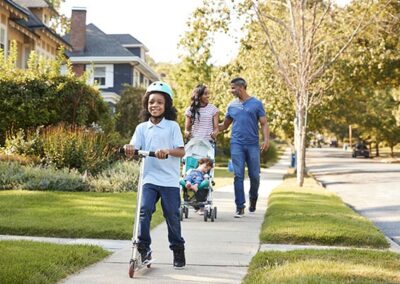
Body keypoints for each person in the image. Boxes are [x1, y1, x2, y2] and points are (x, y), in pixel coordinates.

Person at [124, 81, 186, 269]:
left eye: (159, 102)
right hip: (149, 178)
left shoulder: (172, 126)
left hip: (169, 180)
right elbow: (134, 147)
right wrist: (129, 148)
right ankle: (144, 249)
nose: (155, 106)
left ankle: (178, 249)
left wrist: (167, 150)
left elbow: (181, 151)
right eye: (151, 102)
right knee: (144, 211)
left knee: (172, 215)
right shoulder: (142, 128)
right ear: (146, 104)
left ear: (166, 105)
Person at [219, 77, 269, 218]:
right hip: (237, 144)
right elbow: (225, 125)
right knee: (238, 175)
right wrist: (212, 128)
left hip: (253, 144)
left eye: (233, 88)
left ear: (241, 88)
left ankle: (253, 199)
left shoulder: (256, 103)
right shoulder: (232, 106)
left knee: (254, 176)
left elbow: (264, 123)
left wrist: (266, 140)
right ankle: (240, 206)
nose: (231, 90)